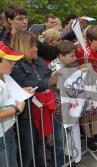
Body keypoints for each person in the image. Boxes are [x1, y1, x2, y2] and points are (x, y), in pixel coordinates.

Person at [10, 31, 58, 167]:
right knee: (28, 152)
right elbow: (27, 84)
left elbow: (45, 77)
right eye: (32, 46)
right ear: (22, 46)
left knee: (40, 149)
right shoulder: (16, 65)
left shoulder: (39, 61)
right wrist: (49, 81)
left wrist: (49, 80)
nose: (36, 49)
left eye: (36, 45)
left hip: (42, 112)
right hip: (27, 116)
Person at [0, 42, 28, 167]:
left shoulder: (4, 76)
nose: (14, 63)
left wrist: (22, 91)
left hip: (7, 130)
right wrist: (16, 110)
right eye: (9, 61)